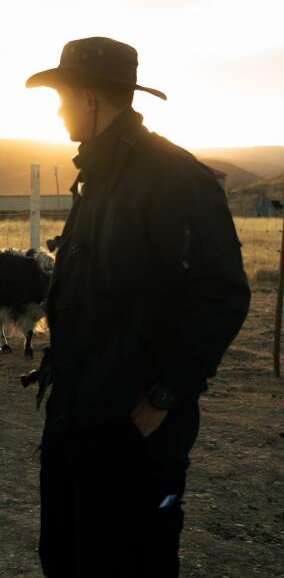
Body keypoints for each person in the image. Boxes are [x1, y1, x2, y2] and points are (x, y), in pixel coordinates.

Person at [25, 37, 251, 577]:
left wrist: (165, 394)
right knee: (67, 558)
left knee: (132, 564)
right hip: (78, 417)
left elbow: (222, 293)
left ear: (88, 98)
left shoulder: (174, 179)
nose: (57, 110)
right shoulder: (99, 178)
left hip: (134, 428)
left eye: (61, 96)